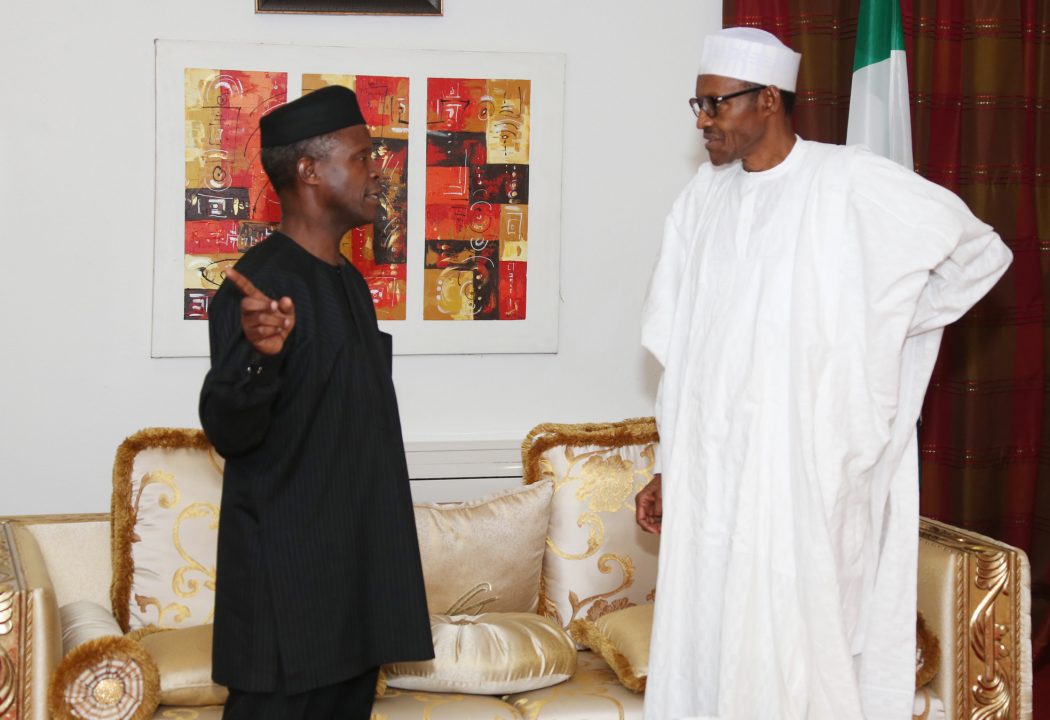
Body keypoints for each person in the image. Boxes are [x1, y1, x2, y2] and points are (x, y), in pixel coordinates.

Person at [635, 27, 1012, 720]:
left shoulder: (848, 180)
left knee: (803, 646)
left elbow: (978, 252)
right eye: (699, 104)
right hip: (712, 477)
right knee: (707, 635)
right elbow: (680, 350)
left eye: (717, 105)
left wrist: (888, 333)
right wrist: (668, 464)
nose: (704, 121)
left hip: (805, 476)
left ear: (769, 100)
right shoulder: (702, 199)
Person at [199, 85, 433, 719]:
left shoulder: (349, 282)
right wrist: (257, 355)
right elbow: (229, 427)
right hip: (288, 603)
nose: (376, 171)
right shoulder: (261, 286)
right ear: (308, 170)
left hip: (353, 593)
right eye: (361, 157)